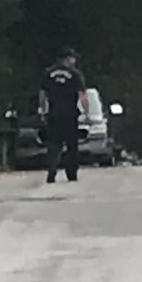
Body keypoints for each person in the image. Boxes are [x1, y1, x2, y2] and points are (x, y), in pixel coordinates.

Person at [39, 47, 89, 183]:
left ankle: (51, 170)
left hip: (54, 114)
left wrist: (43, 110)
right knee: (71, 145)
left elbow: (43, 94)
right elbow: (82, 95)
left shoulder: (48, 73)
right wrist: (86, 113)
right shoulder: (75, 74)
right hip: (70, 115)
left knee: (54, 144)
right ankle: (71, 173)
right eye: (72, 58)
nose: (74, 60)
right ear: (67, 58)